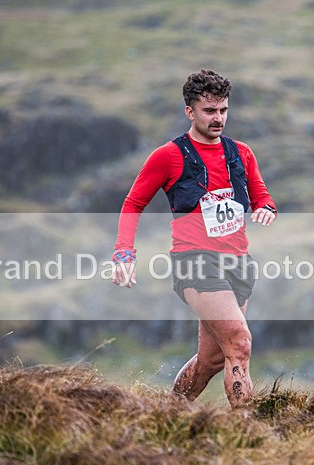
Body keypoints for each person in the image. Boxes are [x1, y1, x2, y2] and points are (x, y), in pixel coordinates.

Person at [111, 69, 277, 408]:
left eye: (223, 110)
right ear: (190, 111)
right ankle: (249, 431)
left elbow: (261, 195)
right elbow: (133, 203)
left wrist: (266, 209)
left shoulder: (241, 153)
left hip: (239, 264)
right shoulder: (168, 156)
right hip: (196, 262)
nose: (218, 119)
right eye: (209, 111)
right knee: (240, 342)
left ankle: (167, 411)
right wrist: (124, 254)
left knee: (213, 361)